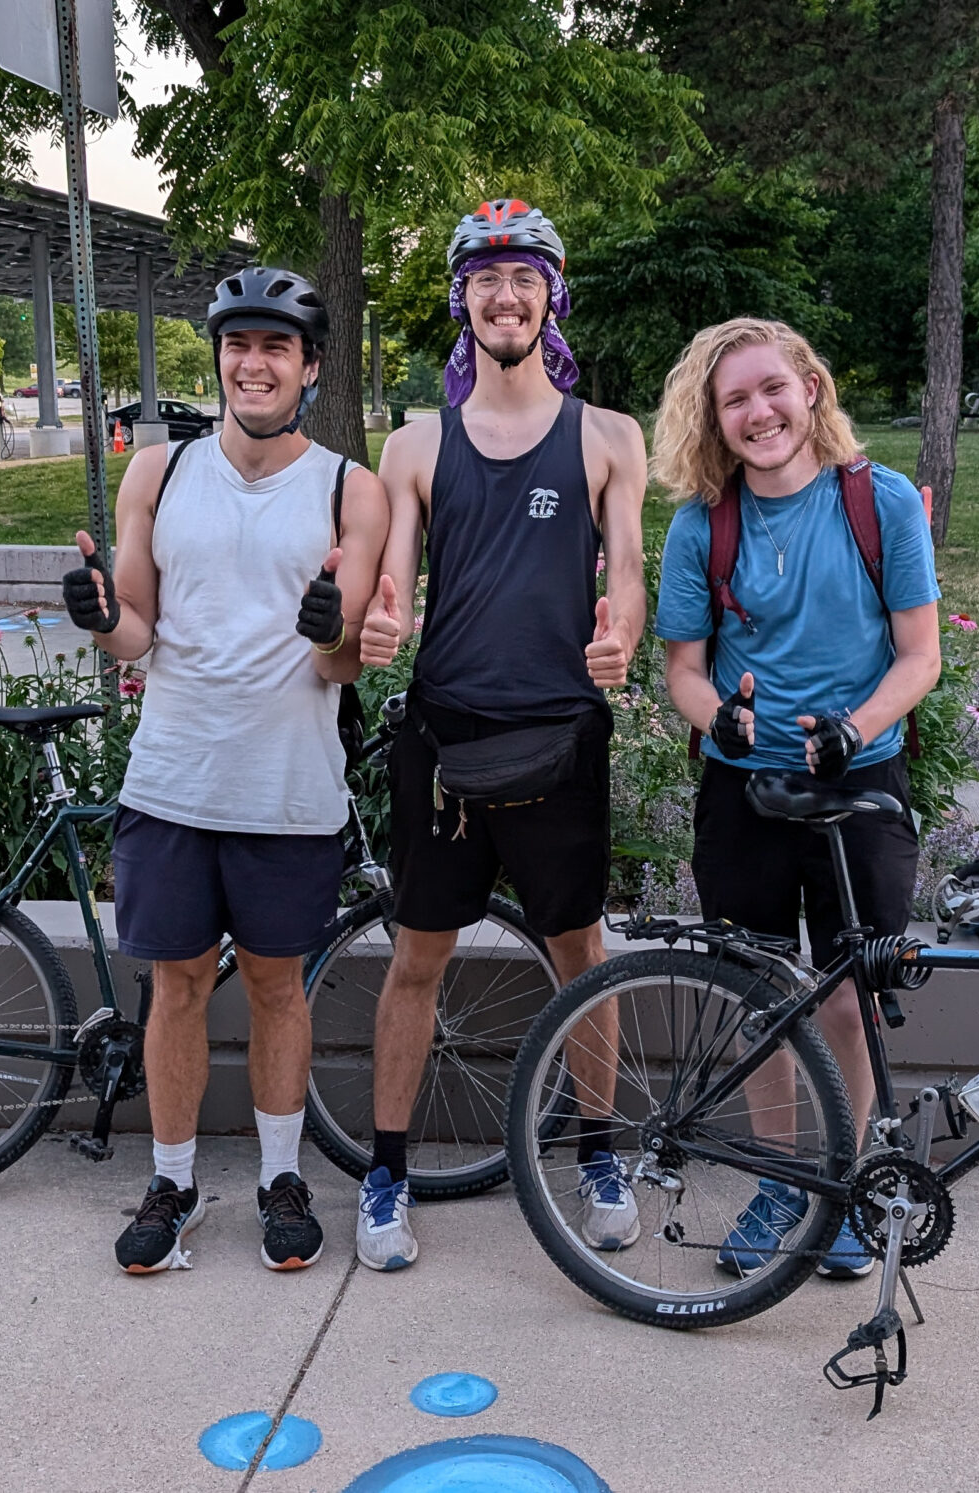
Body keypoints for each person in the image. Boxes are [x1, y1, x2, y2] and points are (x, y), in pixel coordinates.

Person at [61, 266, 390, 1277]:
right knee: (177, 986)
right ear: (218, 358)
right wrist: (100, 615)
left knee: (280, 987)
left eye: (275, 347)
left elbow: (343, 664)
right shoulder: (157, 474)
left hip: (288, 785)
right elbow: (137, 632)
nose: (253, 363)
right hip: (173, 777)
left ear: (309, 367)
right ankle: (171, 1178)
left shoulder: (350, 488)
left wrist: (337, 634)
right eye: (238, 345)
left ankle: (280, 1177)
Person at [352, 200, 650, 1272]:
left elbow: (628, 572)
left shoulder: (610, 436)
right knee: (417, 956)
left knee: (580, 952)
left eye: (523, 275)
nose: (504, 294)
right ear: (461, 299)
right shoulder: (415, 443)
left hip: (561, 731)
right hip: (444, 734)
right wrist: (383, 617)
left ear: (552, 293)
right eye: (484, 277)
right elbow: (393, 576)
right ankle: (386, 1172)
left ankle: (599, 1151)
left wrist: (619, 630)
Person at [649, 317, 942, 1281]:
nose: (758, 411)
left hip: (860, 783)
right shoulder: (704, 523)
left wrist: (857, 726)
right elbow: (683, 672)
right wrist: (717, 720)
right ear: (715, 420)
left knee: (850, 1002)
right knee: (760, 1002)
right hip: (748, 791)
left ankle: (845, 1180)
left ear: (810, 388)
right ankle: (781, 1181)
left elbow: (920, 656)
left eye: (772, 388)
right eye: (735, 400)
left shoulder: (882, 504)